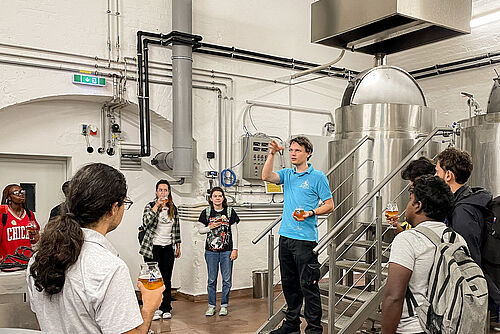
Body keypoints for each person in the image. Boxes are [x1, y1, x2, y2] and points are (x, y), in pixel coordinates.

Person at [27, 163, 164, 334]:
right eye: (124, 203)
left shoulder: (38, 258)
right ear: (114, 208)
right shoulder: (110, 268)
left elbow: (44, 321)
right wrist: (150, 307)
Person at [262, 136, 334, 334]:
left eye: (298, 150)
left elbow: (330, 205)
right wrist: (272, 153)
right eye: (291, 150)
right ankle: (291, 325)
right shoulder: (288, 174)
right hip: (285, 237)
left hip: (305, 241)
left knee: (308, 286)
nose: (293, 153)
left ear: (308, 153)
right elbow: (266, 176)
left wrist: (311, 212)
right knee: (289, 285)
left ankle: (313, 329)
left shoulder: (318, 177)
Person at [382, 175, 459, 333]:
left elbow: (394, 297)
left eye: (411, 200)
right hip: (447, 326)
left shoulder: (408, 239)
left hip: (414, 327)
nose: (408, 205)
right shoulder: (457, 238)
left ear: (418, 205)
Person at [435, 147, 492, 266]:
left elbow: (468, 260)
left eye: (437, 172)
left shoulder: (462, 212)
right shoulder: (465, 200)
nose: (435, 176)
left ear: (448, 176)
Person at [139, 179, 181, 320]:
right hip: (152, 248)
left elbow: (176, 229)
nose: (163, 192)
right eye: (160, 190)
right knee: (154, 280)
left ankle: (166, 307)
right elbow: (146, 222)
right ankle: (154, 308)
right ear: (156, 192)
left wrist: (178, 246)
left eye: (166, 190)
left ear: (169, 192)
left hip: (168, 247)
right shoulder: (150, 206)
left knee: (166, 279)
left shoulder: (173, 208)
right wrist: (157, 205)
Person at [197, 186, 240, 317]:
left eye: (220, 196)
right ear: (211, 198)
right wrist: (210, 227)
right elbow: (200, 229)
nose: (217, 198)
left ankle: (224, 305)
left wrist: (235, 249)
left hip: (227, 251)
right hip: (211, 251)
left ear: (223, 198)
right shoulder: (206, 212)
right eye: (215, 196)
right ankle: (211, 305)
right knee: (211, 279)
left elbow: (235, 231)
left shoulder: (230, 212)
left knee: (227, 279)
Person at [386, 156, 436, 234]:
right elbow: (405, 233)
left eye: (413, 180)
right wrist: (395, 224)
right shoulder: (415, 198)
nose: (411, 184)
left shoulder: (435, 205)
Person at [1, 184, 40, 264]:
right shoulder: (2, 214)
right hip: (7, 263)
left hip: (26, 262)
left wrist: (34, 234)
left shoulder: (29, 214)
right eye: (16, 193)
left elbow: (35, 240)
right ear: (9, 197)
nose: (20, 194)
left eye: (22, 192)